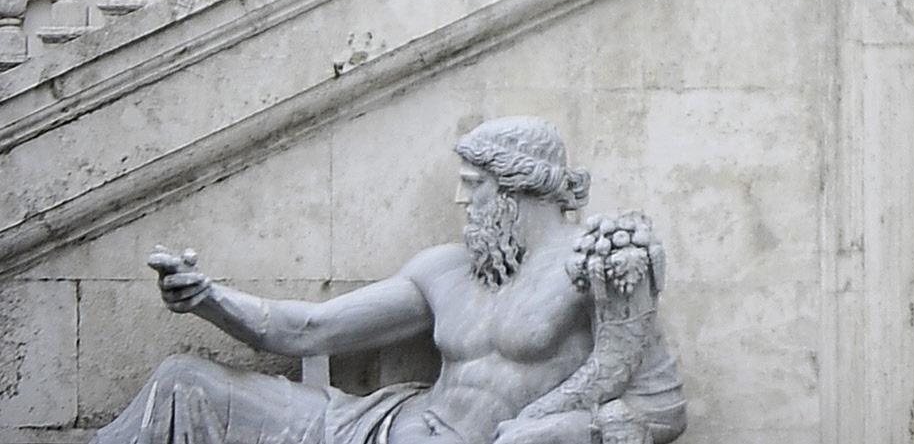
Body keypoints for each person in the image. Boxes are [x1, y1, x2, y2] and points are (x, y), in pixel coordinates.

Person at [105, 118, 682, 444]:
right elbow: (309, 329)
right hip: (377, 430)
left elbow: (662, 409)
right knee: (184, 382)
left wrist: (562, 432)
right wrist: (208, 299)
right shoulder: (445, 268)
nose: (460, 198)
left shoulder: (598, 268)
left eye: (472, 183)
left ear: (515, 186)